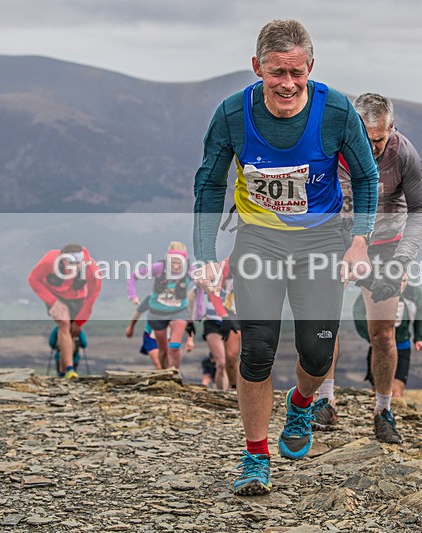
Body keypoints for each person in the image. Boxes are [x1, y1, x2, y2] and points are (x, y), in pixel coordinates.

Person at [193, 19, 379, 496]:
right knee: (256, 350)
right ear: (258, 68)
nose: (288, 84)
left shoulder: (336, 110)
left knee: (317, 353)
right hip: (259, 241)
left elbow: (366, 177)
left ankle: (300, 403)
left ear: (310, 67)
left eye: (297, 72)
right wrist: (204, 253)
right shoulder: (232, 114)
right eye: (277, 72)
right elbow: (210, 183)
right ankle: (255, 456)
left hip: (320, 243)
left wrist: (359, 239)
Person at [312, 92, 422, 443]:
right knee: (323, 325)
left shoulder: (403, 154)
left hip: (384, 247)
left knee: (383, 333)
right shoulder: (331, 147)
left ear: (391, 128)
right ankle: (325, 403)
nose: (371, 146)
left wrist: (400, 263)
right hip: (337, 241)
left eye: (379, 139)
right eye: (364, 139)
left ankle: (383, 411)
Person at [28, 243, 102, 379]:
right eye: (69, 263)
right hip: (53, 295)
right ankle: (69, 369)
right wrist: (53, 302)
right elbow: (33, 279)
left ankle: (62, 374)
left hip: (77, 298)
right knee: (63, 323)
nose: (74, 267)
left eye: (77, 263)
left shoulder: (92, 269)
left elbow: (92, 297)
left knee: (71, 334)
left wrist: (80, 322)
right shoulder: (49, 260)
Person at [126, 241, 193, 370]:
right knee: (163, 351)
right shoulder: (159, 268)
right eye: (173, 262)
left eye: (179, 262)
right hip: (157, 312)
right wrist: (132, 295)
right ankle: (164, 374)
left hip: (179, 311)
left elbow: (203, 281)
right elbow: (133, 276)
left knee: (174, 347)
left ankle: (175, 376)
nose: (176, 265)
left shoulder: (190, 270)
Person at [358, 275, 422, 398]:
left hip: (402, 344)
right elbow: (358, 311)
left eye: (404, 281)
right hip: (379, 346)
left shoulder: (414, 292)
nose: (401, 284)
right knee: (378, 389)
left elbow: (420, 313)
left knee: (396, 392)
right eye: (398, 281)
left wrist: (419, 338)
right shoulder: (378, 288)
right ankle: (379, 411)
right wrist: (370, 337)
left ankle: (391, 413)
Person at [189, 259, 240, 391]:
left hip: (233, 319)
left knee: (232, 359)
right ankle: (221, 393)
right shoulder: (214, 272)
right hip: (213, 320)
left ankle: (234, 389)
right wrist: (190, 319)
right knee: (221, 363)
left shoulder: (241, 277)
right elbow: (193, 292)